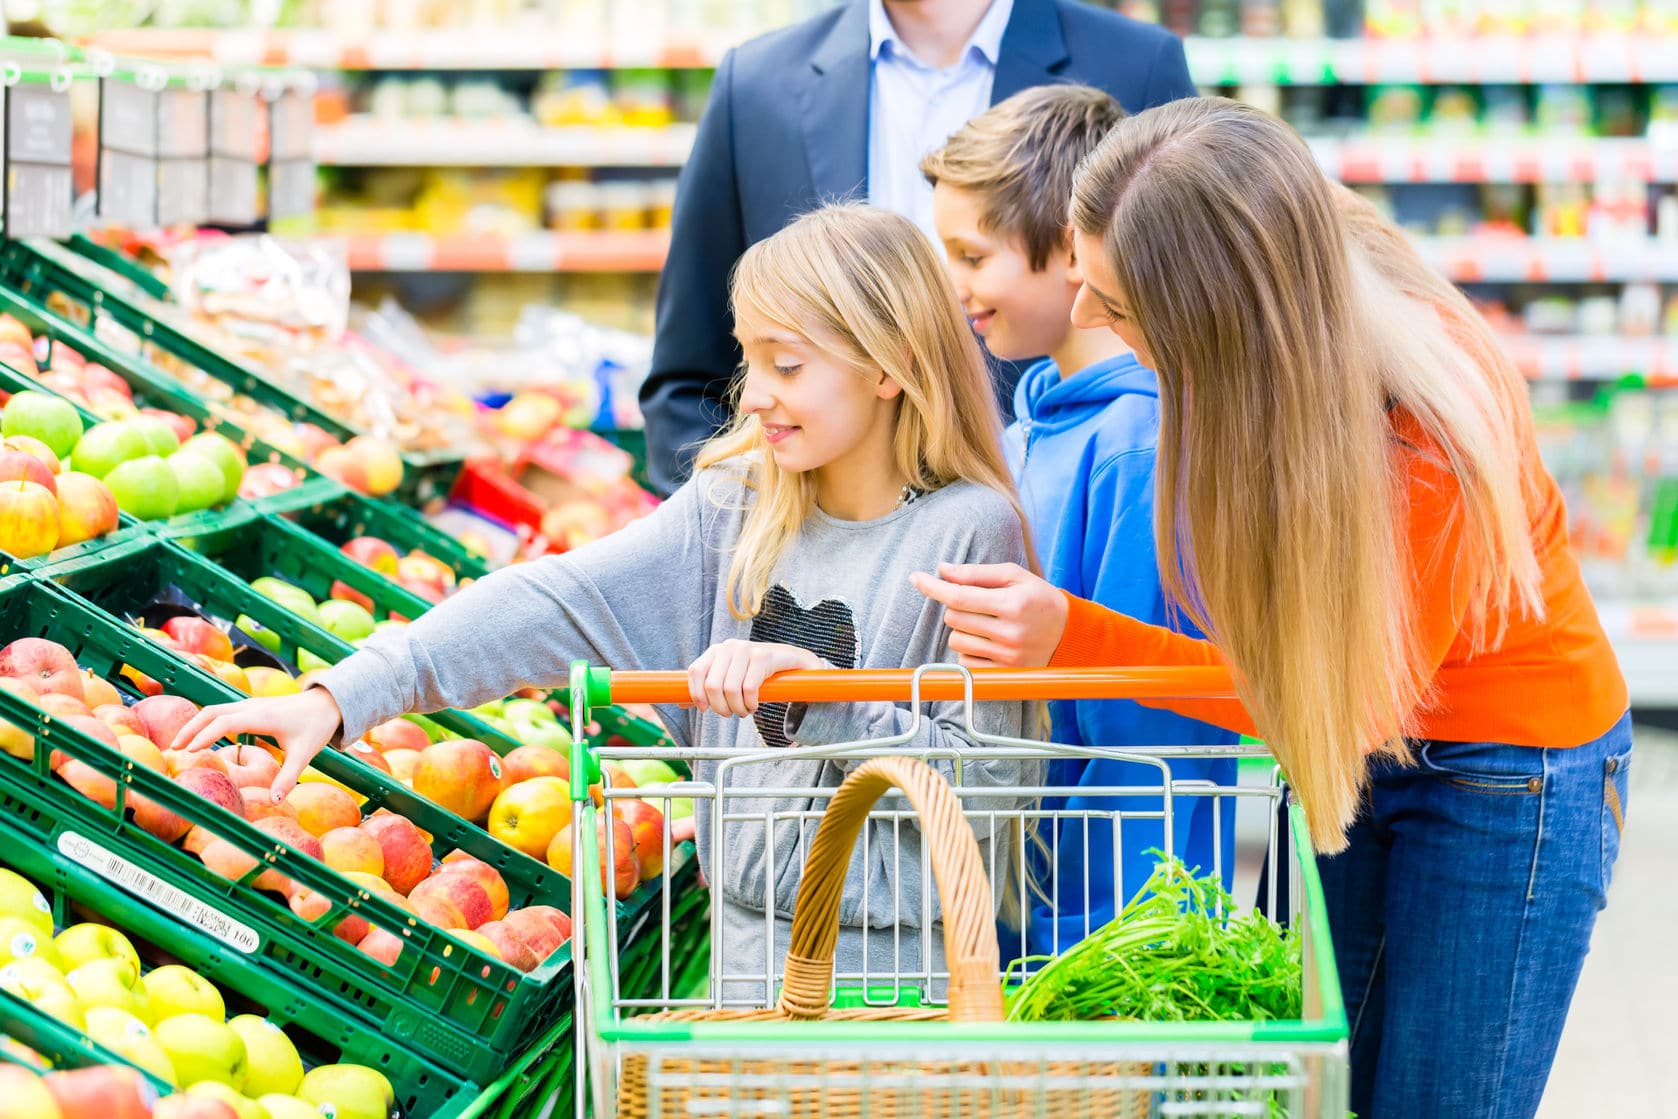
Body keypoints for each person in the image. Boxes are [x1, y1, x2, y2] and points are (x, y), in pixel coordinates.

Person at [911, 98, 1631, 1119]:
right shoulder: (1285, 293)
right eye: (1084, 278)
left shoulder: (1422, 433)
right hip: (1376, 756)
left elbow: (1329, 703)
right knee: (1333, 1092)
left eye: (1114, 305)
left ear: (1215, 313)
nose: (1083, 320)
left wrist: (1079, 635)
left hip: (1505, 776)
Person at [173, 203, 1040, 998]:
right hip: (741, 974)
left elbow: (987, 785)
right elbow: (556, 602)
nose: (758, 391)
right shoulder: (739, 505)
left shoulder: (967, 531)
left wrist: (818, 696)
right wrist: (343, 696)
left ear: (888, 367)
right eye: (750, 357)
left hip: (901, 986)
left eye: (788, 363)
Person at [639, 0, 1199, 495]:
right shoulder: (756, 86)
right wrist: (729, 544)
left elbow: (1195, 334)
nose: (958, 289)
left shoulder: (1136, 65)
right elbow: (689, 375)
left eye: (973, 258)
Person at [921, 84, 1236, 957]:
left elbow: (1151, 734)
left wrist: (1107, 933)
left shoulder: (1138, 441)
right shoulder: (1038, 422)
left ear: (1071, 249)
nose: (956, 289)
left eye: (972, 256)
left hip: (1112, 925)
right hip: (1027, 898)